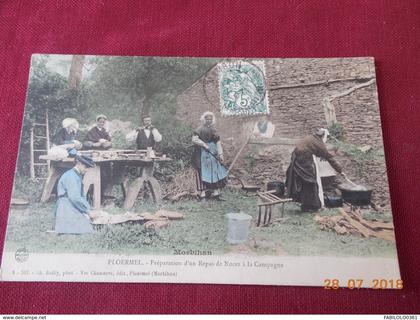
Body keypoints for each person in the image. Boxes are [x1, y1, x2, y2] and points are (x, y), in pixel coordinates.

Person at [285, 128, 345, 212]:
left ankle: (306, 205)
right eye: (326, 137)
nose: (326, 139)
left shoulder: (311, 138)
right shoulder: (318, 143)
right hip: (304, 162)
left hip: (298, 159)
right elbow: (330, 158)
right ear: (323, 135)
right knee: (312, 182)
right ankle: (313, 206)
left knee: (304, 183)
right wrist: (340, 171)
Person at [54, 150, 95, 234]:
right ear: (79, 163)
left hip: (71, 203)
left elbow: (80, 196)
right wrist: (87, 211)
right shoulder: (71, 176)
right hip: (66, 206)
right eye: (85, 167)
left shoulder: (76, 175)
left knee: (90, 222)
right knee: (88, 229)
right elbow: (75, 198)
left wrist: (88, 209)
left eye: (88, 168)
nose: (87, 170)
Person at [192, 111, 228, 199]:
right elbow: (194, 139)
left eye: (210, 119)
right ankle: (202, 194)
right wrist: (204, 145)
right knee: (202, 171)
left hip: (213, 152)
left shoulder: (214, 130)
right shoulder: (199, 129)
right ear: (204, 119)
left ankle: (216, 193)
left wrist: (220, 154)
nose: (209, 120)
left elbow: (218, 142)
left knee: (214, 171)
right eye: (207, 119)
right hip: (201, 153)